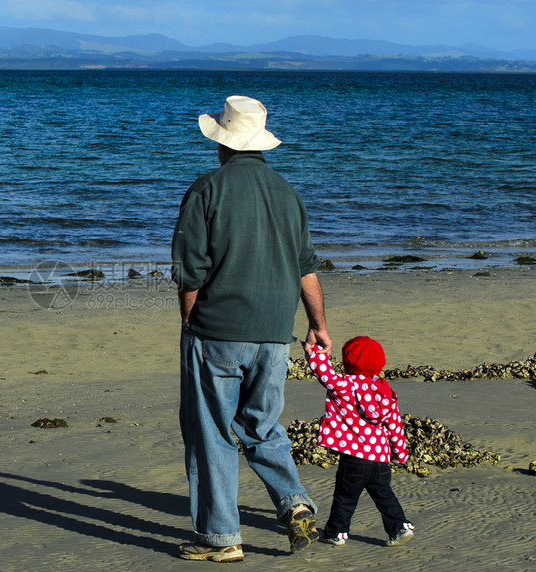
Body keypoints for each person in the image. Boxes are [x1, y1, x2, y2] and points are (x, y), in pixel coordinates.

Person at [171, 95, 332, 562]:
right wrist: (318, 325)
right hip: (276, 332)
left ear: (222, 142)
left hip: (218, 330)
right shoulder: (287, 193)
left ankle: (220, 537)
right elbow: (306, 270)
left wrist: (188, 321)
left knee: (211, 432)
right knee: (262, 426)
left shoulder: (207, 188)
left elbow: (190, 271)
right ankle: (295, 502)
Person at [306, 336, 415, 547]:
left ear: (347, 362)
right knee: (383, 494)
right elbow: (395, 426)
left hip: (355, 457)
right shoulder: (385, 392)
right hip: (380, 458)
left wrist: (316, 352)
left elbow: (325, 375)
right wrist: (400, 454)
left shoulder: (346, 385)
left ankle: (336, 532)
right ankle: (400, 526)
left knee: (345, 496)